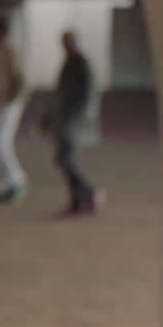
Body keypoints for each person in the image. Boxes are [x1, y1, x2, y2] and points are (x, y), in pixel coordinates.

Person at [41, 30, 104, 216]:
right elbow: (58, 95)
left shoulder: (81, 64)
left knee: (65, 158)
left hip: (75, 121)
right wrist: (47, 119)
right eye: (63, 42)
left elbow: (86, 95)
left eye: (68, 42)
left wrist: (71, 117)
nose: (65, 45)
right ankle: (78, 200)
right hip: (64, 120)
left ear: (75, 42)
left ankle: (89, 191)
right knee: (64, 159)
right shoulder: (67, 63)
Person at [0, 17, 28, 202]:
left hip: (9, 105)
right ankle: (8, 181)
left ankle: (17, 180)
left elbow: (21, 80)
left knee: (2, 143)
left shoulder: (10, 53)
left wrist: (12, 100)